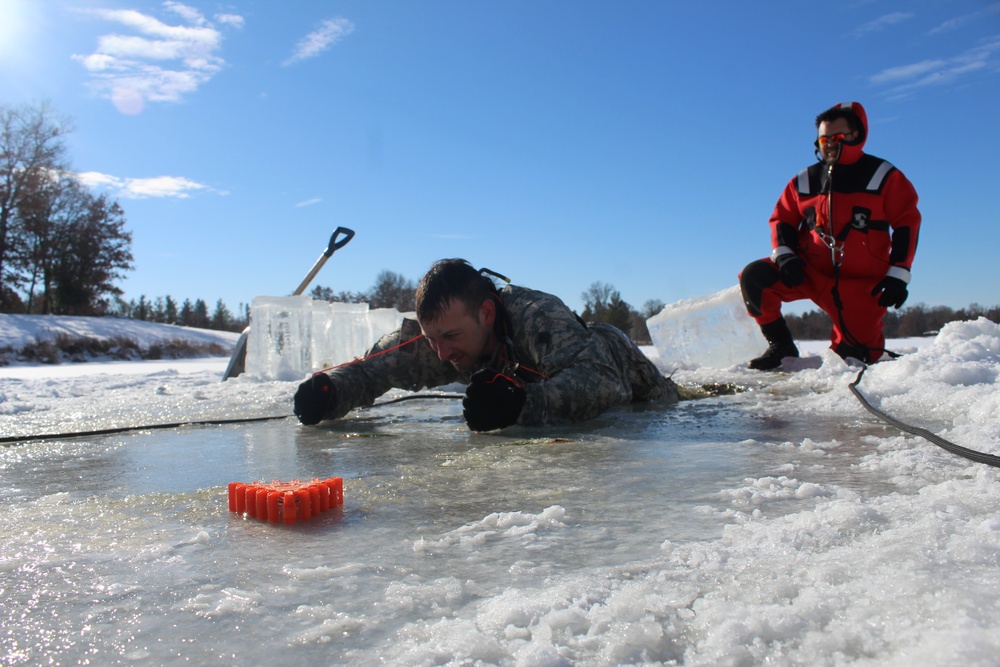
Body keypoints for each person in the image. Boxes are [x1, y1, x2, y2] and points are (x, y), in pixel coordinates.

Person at [294, 258, 679, 429]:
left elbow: (605, 381)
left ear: (487, 314)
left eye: (451, 337)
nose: (442, 353)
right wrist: (330, 391)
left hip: (642, 390)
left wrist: (521, 404)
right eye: (433, 339)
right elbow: (369, 370)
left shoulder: (537, 316)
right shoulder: (441, 341)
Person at [739, 101, 921, 369]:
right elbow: (782, 219)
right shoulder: (804, 180)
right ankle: (781, 347)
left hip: (861, 285)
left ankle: (863, 352)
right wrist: (786, 256)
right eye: (824, 139)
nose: (829, 144)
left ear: (856, 135)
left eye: (837, 137)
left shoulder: (884, 176)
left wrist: (898, 274)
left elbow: (907, 223)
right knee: (755, 277)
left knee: (855, 360)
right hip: (809, 272)